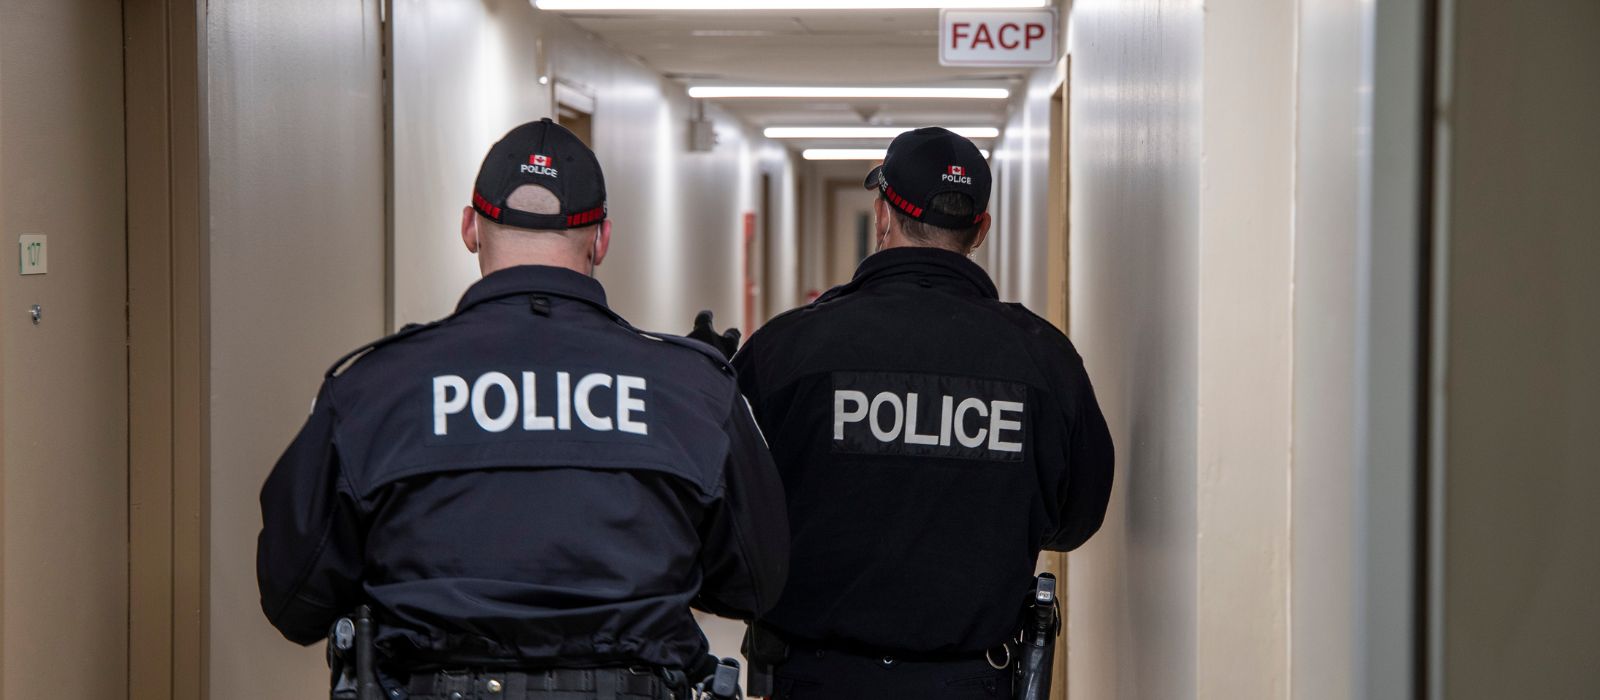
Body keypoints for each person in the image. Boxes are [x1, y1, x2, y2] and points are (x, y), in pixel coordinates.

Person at [257, 118, 788, 700]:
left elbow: (295, 599)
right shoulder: (690, 389)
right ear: (603, 239)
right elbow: (754, 584)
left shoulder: (377, 388)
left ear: (469, 228)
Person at [730, 127, 1114, 699]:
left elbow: (728, 510)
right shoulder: (1043, 358)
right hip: (973, 679)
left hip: (817, 676)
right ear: (979, 231)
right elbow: (1075, 518)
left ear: (882, 214)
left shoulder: (787, 349)